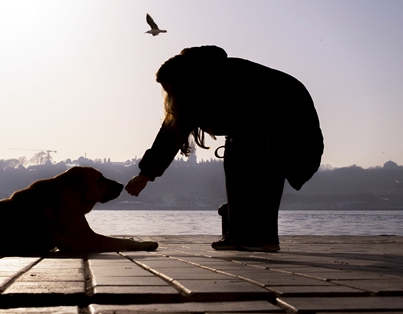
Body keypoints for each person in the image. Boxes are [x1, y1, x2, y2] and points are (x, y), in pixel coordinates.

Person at [124, 45, 323, 251]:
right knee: (241, 152)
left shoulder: (221, 81)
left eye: (171, 91)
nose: (170, 98)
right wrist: (146, 174)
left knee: (250, 155)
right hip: (279, 128)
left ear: (183, 82)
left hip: (292, 131)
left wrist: (145, 175)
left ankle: (259, 236)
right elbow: (172, 132)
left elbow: (170, 136)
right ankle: (246, 234)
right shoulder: (211, 76)